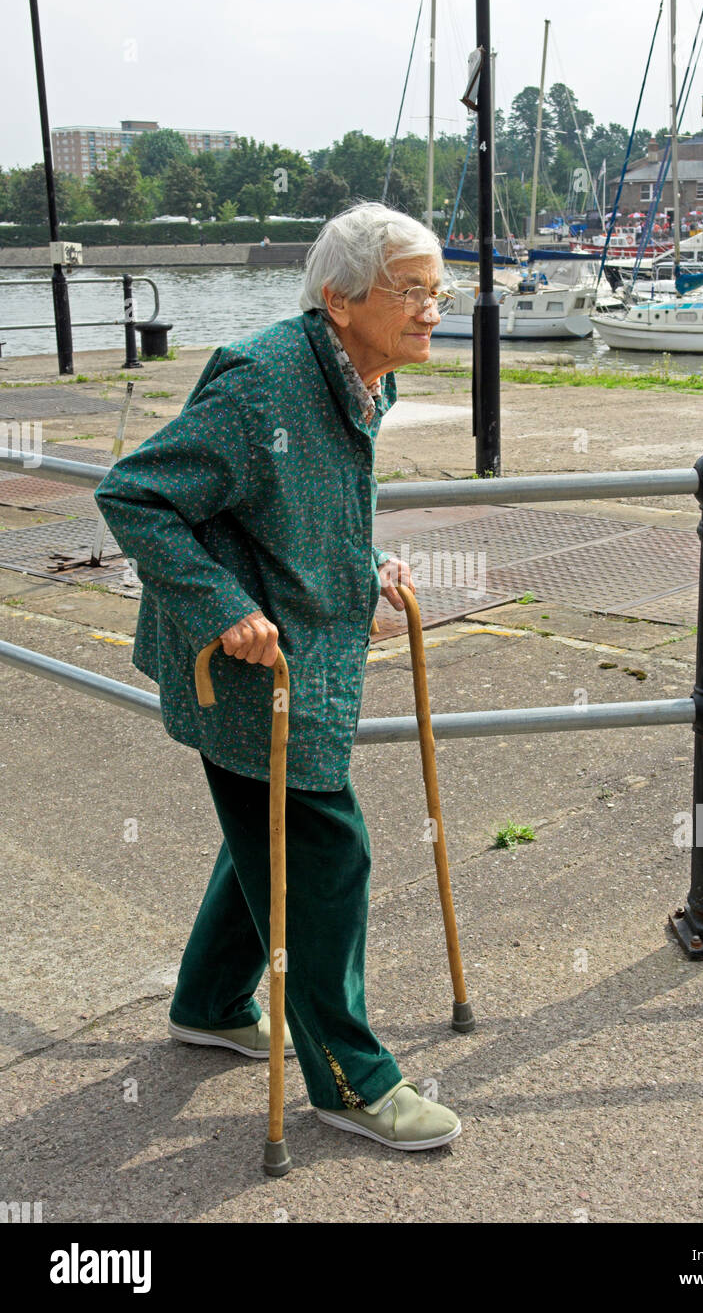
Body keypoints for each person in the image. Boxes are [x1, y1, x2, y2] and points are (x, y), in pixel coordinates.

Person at [94, 201, 461, 1152]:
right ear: (340, 301)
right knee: (327, 854)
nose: (433, 309)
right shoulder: (263, 381)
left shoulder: (361, 376)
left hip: (309, 651)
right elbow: (135, 494)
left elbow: (298, 501)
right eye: (412, 290)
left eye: (438, 289)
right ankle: (349, 1080)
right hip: (244, 668)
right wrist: (221, 607)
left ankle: (210, 1003)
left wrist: (363, 556)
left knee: (267, 835)